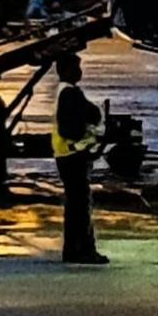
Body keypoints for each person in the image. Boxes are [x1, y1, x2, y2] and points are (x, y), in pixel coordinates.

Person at [50, 54, 106, 264]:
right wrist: (85, 135)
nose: (80, 71)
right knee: (80, 206)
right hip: (72, 155)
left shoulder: (66, 92)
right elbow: (72, 126)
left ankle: (73, 250)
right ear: (66, 70)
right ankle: (83, 250)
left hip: (67, 155)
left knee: (75, 206)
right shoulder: (69, 94)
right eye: (76, 67)